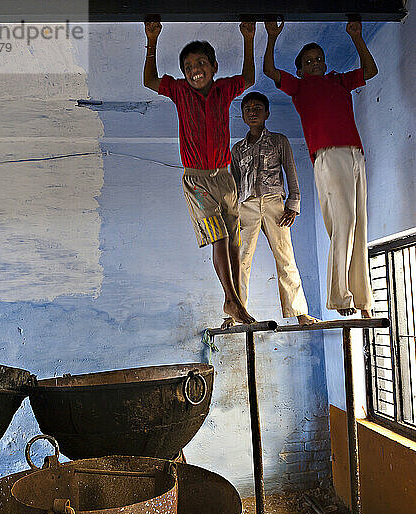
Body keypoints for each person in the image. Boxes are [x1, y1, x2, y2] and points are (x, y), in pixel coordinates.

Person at [143, 21, 256, 326]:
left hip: (225, 178)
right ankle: (230, 299)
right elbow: (149, 80)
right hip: (197, 180)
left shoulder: (224, 89)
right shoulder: (179, 91)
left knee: (234, 241)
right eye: (189, 65)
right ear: (183, 73)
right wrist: (151, 40)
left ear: (214, 66)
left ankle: (237, 302)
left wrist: (249, 37)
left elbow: (249, 77)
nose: (195, 69)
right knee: (218, 237)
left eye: (201, 63)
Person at [263, 20, 378, 318]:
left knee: (359, 225)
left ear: (325, 63)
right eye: (309, 61)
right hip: (328, 158)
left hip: (355, 154)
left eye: (319, 59)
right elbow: (270, 72)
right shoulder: (300, 87)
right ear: (300, 69)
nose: (315, 63)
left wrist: (356, 37)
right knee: (344, 224)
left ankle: (362, 300)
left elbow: (370, 71)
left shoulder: (339, 81)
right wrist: (272, 36)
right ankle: (340, 297)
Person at [230, 91, 318, 327]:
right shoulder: (238, 149)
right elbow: (235, 182)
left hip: (274, 204)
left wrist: (293, 204)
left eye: (257, 107)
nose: (252, 111)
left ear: (267, 113)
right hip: (245, 205)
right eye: (247, 108)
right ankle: (236, 313)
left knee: (285, 256)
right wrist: (232, 212)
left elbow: (291, 171)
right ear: (243, 116)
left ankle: (299, 312)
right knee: (241, 260)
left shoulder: (279, 140)